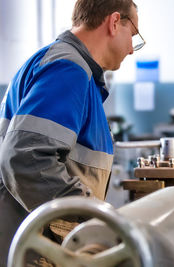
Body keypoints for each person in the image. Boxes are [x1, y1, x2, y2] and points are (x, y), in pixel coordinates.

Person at [0, 0, 143, 265]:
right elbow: (26, 159)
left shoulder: (74, 70)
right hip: (34, 250)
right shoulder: (67, 68)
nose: (131, 50)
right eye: (133, 35)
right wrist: (95, 217)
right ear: (114, 22)